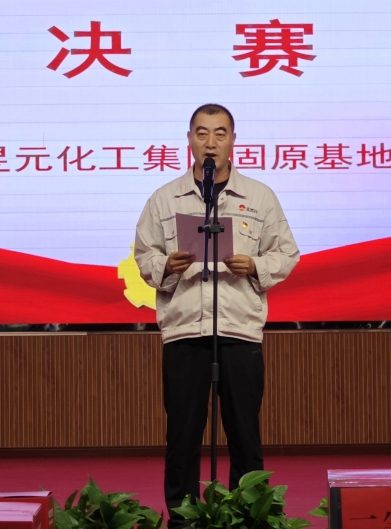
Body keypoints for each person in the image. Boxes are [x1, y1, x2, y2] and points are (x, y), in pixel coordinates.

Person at [134, 103, 299, 528]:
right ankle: (183, 520)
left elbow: (287, 253)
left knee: (245, 435)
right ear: (189, 140)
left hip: (239, 329)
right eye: (202, 133)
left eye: (220, 133)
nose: (211, 143)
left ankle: (247, 518)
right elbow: (144, 254)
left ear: (233, 140)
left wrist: (256, 266)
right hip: (185, 330)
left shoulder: (259, 197)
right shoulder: (164, 198)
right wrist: (166, 266)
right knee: (182, 437)